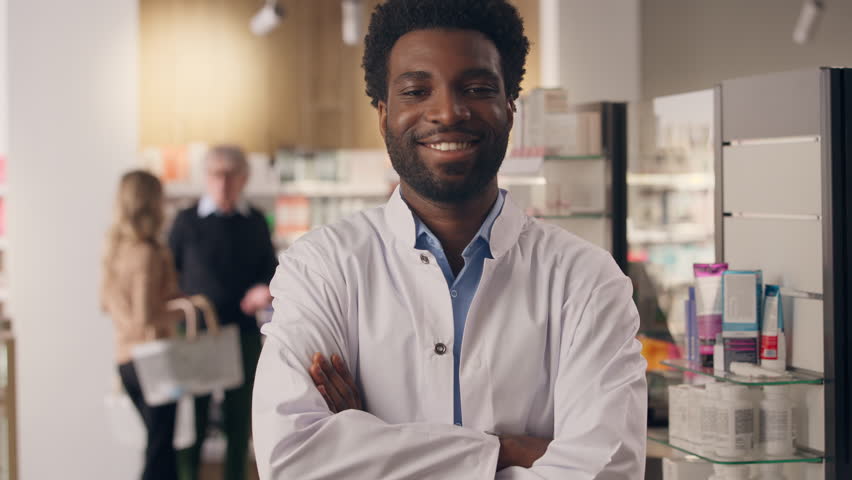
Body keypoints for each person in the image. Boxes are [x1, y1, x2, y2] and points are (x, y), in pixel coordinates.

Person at [252, 0, 647, 478]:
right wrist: (508, 449)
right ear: (383, 114)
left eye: (477, 88)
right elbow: (293, 458)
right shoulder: (322, 267)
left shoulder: (586, 279)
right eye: (417, 90)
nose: (447, 111)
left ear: (509, 109)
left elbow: (607, 469)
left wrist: (371, 444)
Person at [169, 145, 278, 480]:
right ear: (205, 178)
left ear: (243, 178)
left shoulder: (255, 221)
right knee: (193, 422)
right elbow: (170, 273)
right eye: (216, 174)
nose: (223, 182)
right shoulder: (187, 221)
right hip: (195, 334)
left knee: (238, 421)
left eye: (231, 174)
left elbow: (270, 271)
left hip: (242, 332)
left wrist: (264, 290)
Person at [101, 170, 182, 480]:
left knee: (156, 446)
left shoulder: (116, 249)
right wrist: (181, 310)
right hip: (154, 360)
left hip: (126, 359)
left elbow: (107, 304)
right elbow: (144, 317)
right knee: (161, 452)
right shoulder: (147, 253)